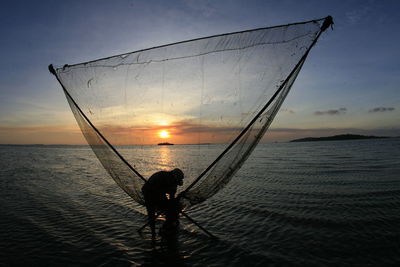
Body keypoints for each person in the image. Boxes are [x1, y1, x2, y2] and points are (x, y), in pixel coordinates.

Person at [141, 168, 184, 239]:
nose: (177, 184)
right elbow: (171, 199)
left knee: (151, 215)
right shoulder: (170, 180)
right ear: (176, 178)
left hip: (148, 193)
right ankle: (166, 228)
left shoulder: (165, 175)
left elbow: (170, 197)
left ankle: (154, 234)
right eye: (177, 182)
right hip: (151, 194)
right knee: (171, 210)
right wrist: (178, 199)